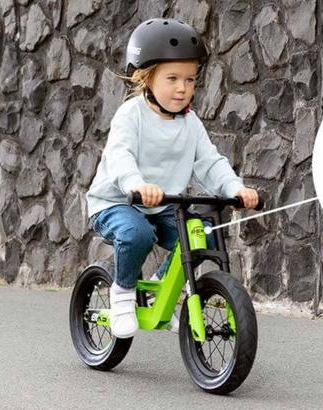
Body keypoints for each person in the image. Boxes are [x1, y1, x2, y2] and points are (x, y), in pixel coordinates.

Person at [85, 18, 259, 339]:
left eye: (190, 79)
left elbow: (209, 162)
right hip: (116, 202)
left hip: (163, 204)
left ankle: (168, 289)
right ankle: (122, 293)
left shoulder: (190, 124)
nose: (182, 88)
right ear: (146, 77)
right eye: (173, 78)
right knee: (136, 234)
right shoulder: (131, 114)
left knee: (203, 234)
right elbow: (120, 156)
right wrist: (136, 184)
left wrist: (235, 188)